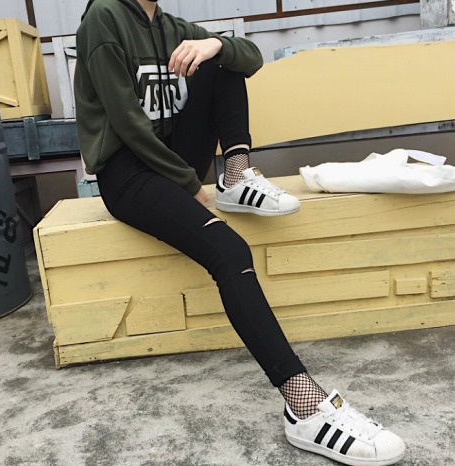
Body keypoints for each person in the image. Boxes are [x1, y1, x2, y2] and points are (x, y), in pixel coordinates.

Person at [74, 1, 406, 464]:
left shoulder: (169, 26)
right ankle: (304, 407)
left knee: (222, 60)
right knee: (229, 250)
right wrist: (188, 184)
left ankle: (235, 172)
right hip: (128, 173)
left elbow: (250, 57)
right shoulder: (104, 18)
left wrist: (215, 43)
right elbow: (127, 122)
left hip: (173, 160)